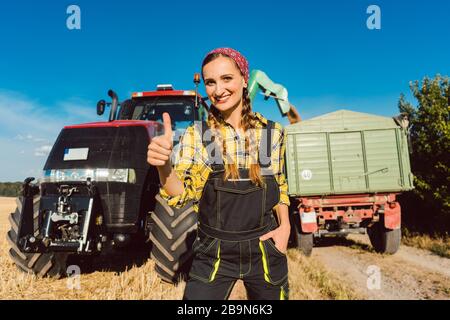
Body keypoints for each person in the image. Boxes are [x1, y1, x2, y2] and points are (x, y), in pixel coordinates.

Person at [147, 47, 290, 300]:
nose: (218, 90)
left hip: (265, 248)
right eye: (210, 82)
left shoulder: (272, 133)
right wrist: (164, 166)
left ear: (245, 80)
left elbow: (279, 185)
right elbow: (181, 194)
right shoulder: (198, 134)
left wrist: (285, 227)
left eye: (227, 79)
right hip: (213, 251)